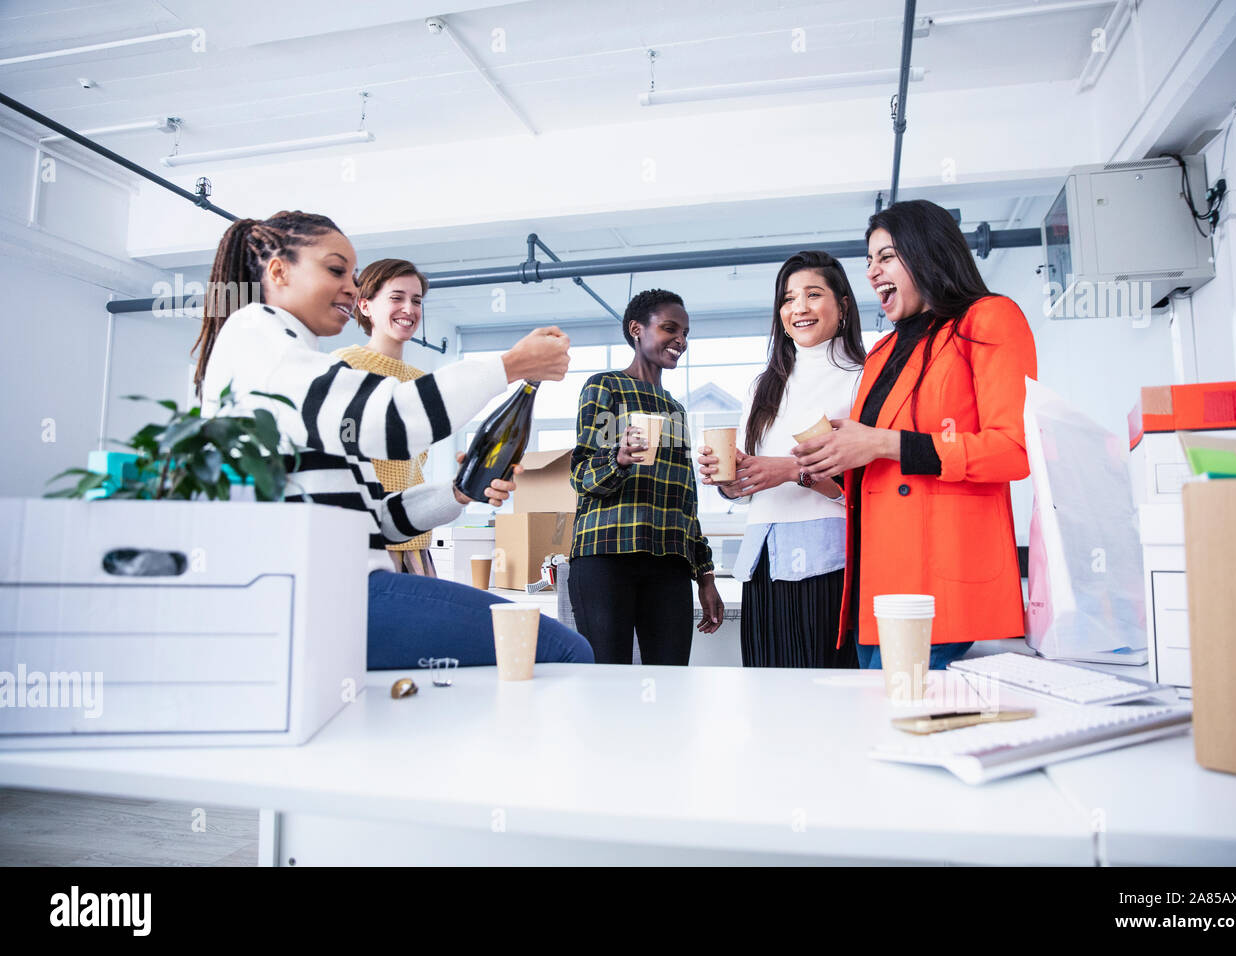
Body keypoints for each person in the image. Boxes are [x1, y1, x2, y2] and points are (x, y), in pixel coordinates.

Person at [192, 210, 594, 669]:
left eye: (354, 275)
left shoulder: (293, 364)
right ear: (278, 272)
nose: (350, 286)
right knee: (563, 649)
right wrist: (510, 365)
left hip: (346, 587)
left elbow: (379, 519)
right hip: (333, 595)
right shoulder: (259, 342)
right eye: (335, 269)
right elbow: (395, 419)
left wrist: (458, 491)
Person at [792, 199, 1037, 671]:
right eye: (869, 261)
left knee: (935, 735)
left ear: (928, 253)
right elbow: (875, 479)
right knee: (888, 735)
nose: (871, 272)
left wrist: (883, 442)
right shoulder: (883, 351)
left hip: (943, 590)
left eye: (885, 257)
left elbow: (1013, 451)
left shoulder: (986, 319)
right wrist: (826, 461)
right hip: (877, 594)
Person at [697, 251, 864, 668]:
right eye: (788, 299)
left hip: (830, 559)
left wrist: (792, 472)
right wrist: (732, 480)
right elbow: (752, 487)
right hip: (764, 557)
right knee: (767, 692)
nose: (799, 308)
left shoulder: (863, 375)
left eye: (813, 294)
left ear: (842, 305)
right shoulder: (764, 386)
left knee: (825, 691)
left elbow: (863, 487)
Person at [568, 289, 724, 664]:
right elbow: (584, 476)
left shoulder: (675, 409)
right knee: (607, 679)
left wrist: (705, 576)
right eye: (670, 328)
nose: (680, 341)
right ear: (636, 329)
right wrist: (618, 460)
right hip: (606, 555)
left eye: (685, 333)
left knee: (671, 681)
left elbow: (686, 502)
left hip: (669, 561)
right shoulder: (607, 387)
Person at [331, 258, 438, 576]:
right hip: (364, 540)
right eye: (397, 297)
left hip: (414, 537)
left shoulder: (421, 380)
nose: (409, 308)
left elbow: (416, 464)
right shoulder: (345, 366)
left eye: (416, 300)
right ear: (365, 305)